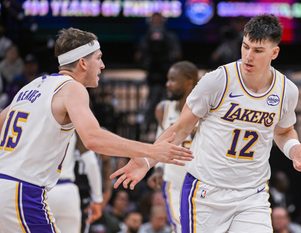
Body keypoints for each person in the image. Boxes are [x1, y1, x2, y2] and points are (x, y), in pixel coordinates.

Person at [111, 14, 301, 233]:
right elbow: (181, 129)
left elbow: (284, 131)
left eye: (257, 51)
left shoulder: (286, 90)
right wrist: (146, 158)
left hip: (251, 195)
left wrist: (294, 150)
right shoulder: (218, 80)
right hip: (206, 193)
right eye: (245, 47)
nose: (248, 56)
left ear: (274, 52)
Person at [0, 27, 192, 233]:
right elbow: (93, 138)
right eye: (98, 58)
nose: (102, 65)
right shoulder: (72, 88)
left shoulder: (31, 86)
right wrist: (150, 151)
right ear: (83, 62)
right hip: (22, 189)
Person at [147, 61, 198, 233]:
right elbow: (159, 142)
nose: (168, 84)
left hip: (200, 182)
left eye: (173, 80)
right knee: (180, 227)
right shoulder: (163, 109)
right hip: (173, 181)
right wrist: (158, 169)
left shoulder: (206, 111)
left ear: (189, 81)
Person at [135, 12, 182, 131]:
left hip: (167, 75)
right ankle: (145, 127)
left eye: (158, 21)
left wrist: (168, 59)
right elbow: (139, 56)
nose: (156, 23)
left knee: (168, 101)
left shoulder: (170, 37)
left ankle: (168, 128)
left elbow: (177, 54)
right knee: (152, 101)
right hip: (153, 75)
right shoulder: (145, 38)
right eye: (154, 21)